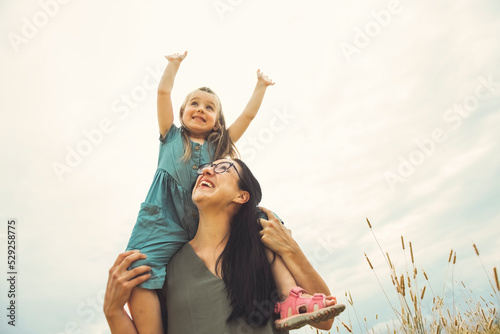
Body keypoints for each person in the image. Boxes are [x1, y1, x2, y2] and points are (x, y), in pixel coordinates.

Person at [105, 159, 345, 333]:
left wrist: (291, 249)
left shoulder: (261, 249)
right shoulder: (168, 268)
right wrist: (113, 312)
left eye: (223, 168)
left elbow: (324, 321)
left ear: (242, 196)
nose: (207, 170)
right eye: (206, 168)